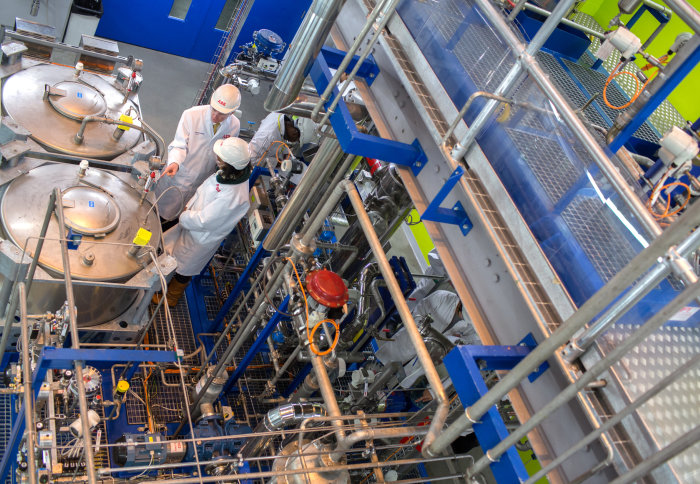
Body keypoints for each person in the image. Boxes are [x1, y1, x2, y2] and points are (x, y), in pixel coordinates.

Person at [153, 137, 252, 307]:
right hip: (191, 225)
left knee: (184, 268)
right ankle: (162, 285)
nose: (217, 159)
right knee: (174, 255)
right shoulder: (230, 174)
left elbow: (204, 220)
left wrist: (184, 216)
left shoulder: (233, 197)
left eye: (220, 158)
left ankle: (172, 297)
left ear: (229, 164)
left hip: (200, 237)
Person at [154, 84, 242, 230]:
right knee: (158, 214)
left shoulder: (234, 125)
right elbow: (179, 144)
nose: (215, 116)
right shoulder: (192, 115)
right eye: (213, 109)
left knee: (178, 221)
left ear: (232, 112)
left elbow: (226, 153)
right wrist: (175, 162)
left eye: (221, 114)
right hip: (179, 174)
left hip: (202, 180)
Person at [248, 112, 318, 165]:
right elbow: (251, 159)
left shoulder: (279, 118)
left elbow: (280, 140)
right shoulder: (268, 136)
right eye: (297, 140)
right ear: (295, 133)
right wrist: (276, 163)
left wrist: (286, 153)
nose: (294, 141)